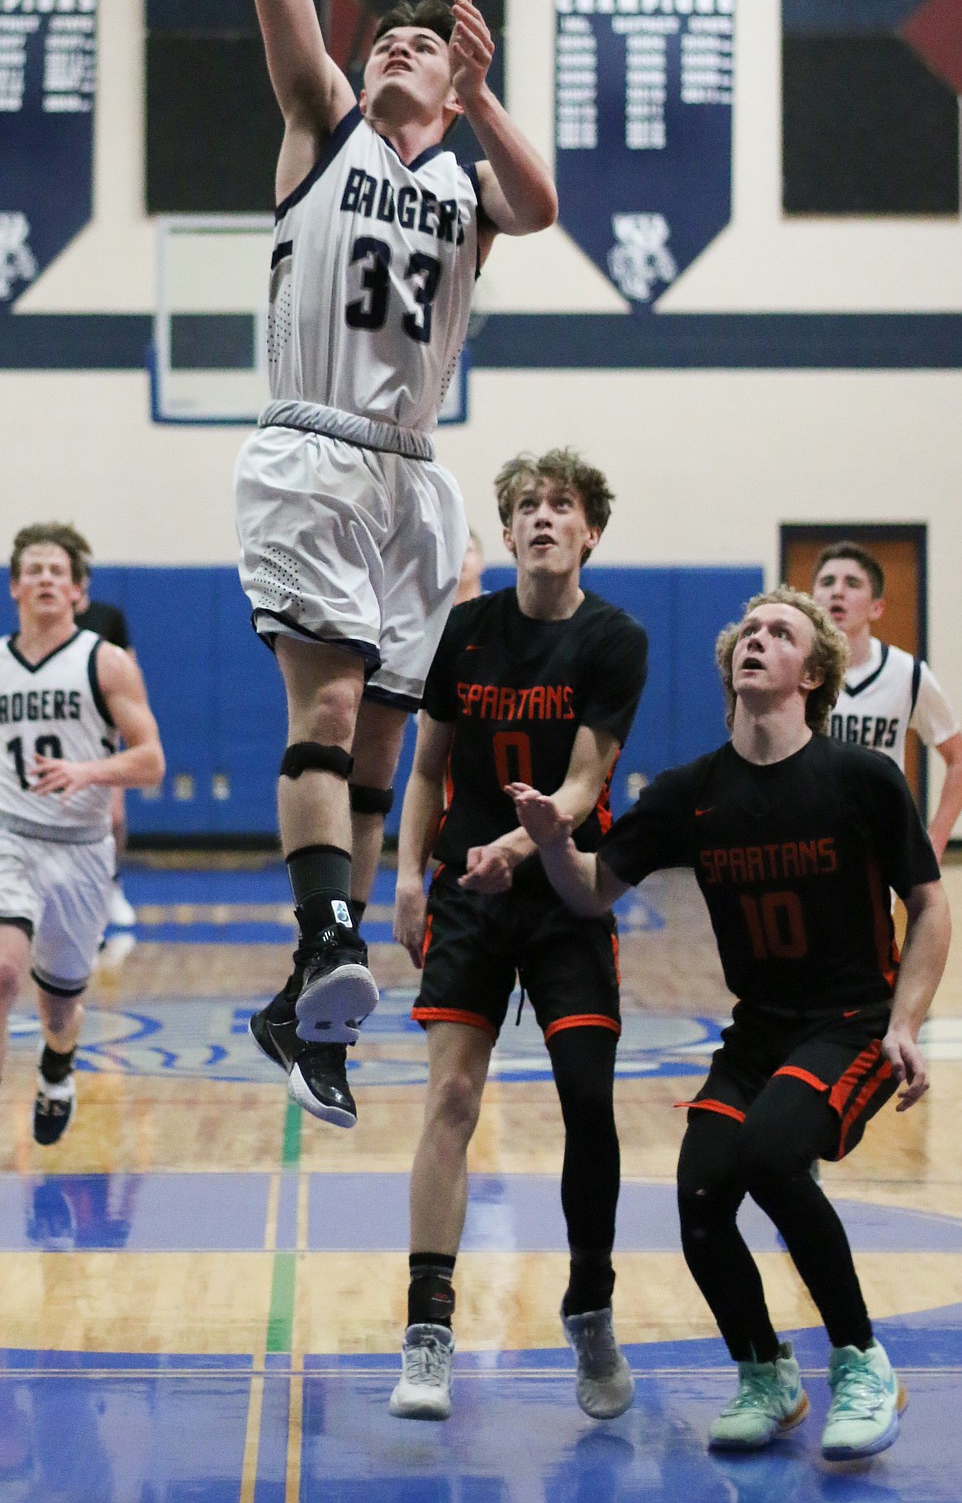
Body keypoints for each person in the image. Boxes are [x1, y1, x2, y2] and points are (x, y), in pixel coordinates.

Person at [236, 0, 558, 1130]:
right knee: (322, 707)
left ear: (455, 74)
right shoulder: (324, 126)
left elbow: (540, 207)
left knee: (378, 750)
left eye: (417, 48)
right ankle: (324, 946)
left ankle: (312, 995)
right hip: (314, 442)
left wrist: (481, 100)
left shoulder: (467, 184)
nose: (393, 53)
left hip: (416, 473)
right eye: (384, 46)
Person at [510, 586, 950, 1463]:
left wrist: (905, 1021)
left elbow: (931, 907)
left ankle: (861, 1360)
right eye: (747, 632)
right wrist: (554, 841)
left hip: (851, 1021)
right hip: (759, 1033)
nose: (756, 640)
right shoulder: (691, 792)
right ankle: (765, 1371)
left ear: (812, 671)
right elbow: (595, 887)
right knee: (702, 1196)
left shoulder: (861, 778)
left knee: (773, 1153)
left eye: (778, 632)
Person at [389, 449, 648, 1422]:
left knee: (589, 1100)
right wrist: (409, 872)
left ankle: (590, 1308)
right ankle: (426, 1333)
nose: (544, 517)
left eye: (563, 504)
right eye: (528, 505)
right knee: (450, 1095)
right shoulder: (464, 632)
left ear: (590, 530)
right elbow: (425, 771)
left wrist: (517, 841)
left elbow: (581, 785)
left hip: (569, 890)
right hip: (471, 894)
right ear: (508, 531)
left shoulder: (613, 640)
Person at [0, 523, 165, 1186]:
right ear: (15, 585)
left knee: (57, 1009)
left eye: (58, 570)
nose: (47, 578)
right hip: (5, 836)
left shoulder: (105, 661)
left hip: (78, 850)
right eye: (35, 569)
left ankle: (57, 1064)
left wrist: (90, 772)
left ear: (78, 589)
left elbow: (151, 760)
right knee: (0, 971)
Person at [810, 540, 962, 858]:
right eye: (827, 582)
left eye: (852, 583)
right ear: (812, 600)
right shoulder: (794, 671)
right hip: (808, 844)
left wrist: (933, 844)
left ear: (876, 607)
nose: (837, 592)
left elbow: (958, 759)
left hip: (877, 849)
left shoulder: (908, 674)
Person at [73, 549, 139, 934]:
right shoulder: (48, 624)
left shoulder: (107, 618)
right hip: (61, 734)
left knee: (113, 815)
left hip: (102, 733)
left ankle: (112, 883)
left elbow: (129, 671)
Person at [453, 527, 484, 605]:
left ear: (481, 563)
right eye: (455, 552)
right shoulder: (435, 612)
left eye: (468, 550)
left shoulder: (496, 608)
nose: (462, 559)